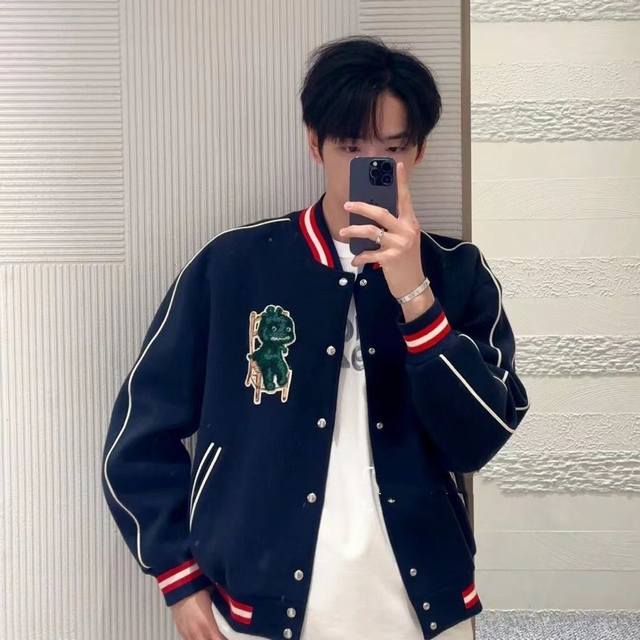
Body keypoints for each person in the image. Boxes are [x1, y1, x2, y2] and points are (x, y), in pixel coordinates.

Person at [101, 35, 530, 640]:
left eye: (392, 149)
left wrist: (416, 295)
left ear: (419, 151)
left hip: (426, 615)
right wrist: (178, 577)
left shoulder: (457, 274)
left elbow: (477, 441)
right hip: (255, 614)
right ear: (314, 143)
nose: (371, 167)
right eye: (351, 147)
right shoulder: (235, 266)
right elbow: (138, 435)